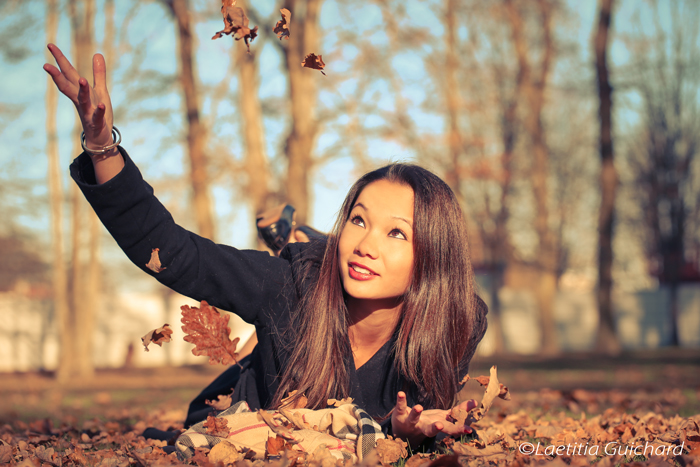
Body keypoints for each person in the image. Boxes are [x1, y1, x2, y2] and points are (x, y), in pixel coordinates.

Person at [43, 44, 488, 448]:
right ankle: (300, 242)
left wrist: (409, 429)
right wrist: (102, 147)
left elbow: (421, 423)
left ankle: (299, 235)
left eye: (397, 233)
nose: (365, 245)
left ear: (434, 256)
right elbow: (173, 254)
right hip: (241, 420)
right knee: (309, 269)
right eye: (358, 220)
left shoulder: (457, 320)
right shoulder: (288, 286)